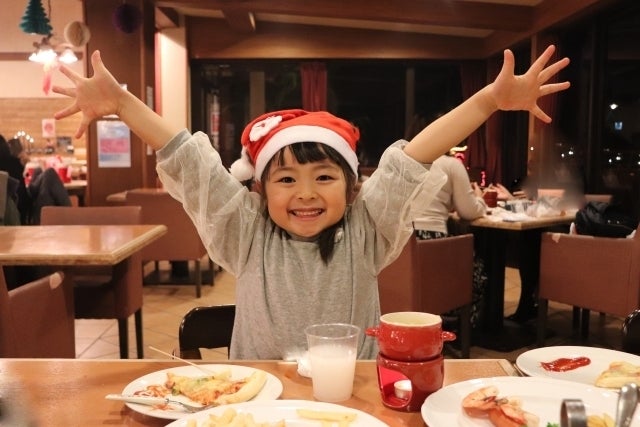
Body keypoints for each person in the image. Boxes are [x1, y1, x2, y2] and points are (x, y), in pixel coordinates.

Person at [51, 45, 570, 360]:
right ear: (260, 191)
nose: (305, 193)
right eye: (285, 179)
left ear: (351, 187)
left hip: (354, 401)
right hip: (259, 401)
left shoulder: (366, 230)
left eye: (324, 176)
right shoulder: (246, 232)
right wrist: (122, 103)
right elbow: (190, 159)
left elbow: (413, 158)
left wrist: (488, 100)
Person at [413, 152, 489, 332]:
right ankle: (459, 330)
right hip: (431, 243)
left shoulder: (400, 159)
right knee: (477, 272)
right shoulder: (450, 164)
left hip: (399, 244)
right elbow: (468, 210)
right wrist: (480, 198)